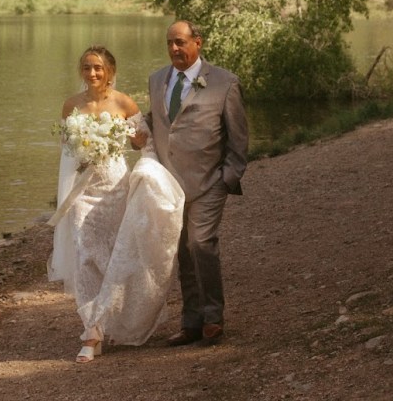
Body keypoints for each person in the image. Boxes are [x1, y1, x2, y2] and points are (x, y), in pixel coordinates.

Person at [48, 45, 184, 363]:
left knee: (114, 257)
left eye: (98, 67)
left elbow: (145, 144)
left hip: (115, 189)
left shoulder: (123, 102)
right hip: (83, 192)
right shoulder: (71, 105)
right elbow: (67, 151)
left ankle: (111, 317)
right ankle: (92, 331)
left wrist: (143, 162)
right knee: (84, 256)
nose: (92, 73)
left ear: (110, 70)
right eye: (86, 67)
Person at [146, 19, 249, 346]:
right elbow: (159, 123)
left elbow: (238, 138)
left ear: (198, 42)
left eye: (180, 42)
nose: (174, 48)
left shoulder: (225, 82)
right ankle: (191, 322)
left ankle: (213, 319)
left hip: (209, 182)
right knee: (183, 251)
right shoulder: (156, 80)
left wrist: (227, 178)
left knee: (200, 243)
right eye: (170, 43)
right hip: (169, 186)